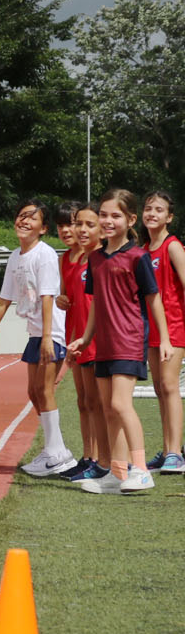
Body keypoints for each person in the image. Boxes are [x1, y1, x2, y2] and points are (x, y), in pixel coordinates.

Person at [67, 189, 173, 494]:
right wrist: (85, 339)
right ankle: (117, 472)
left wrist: (163, 339)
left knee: (119, 403)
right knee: (108, 408)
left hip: (129, 339)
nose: (108, 221)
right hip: (104, 344)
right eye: (103, 214)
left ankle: (140, 470)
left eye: (115, 215)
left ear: (130, 220)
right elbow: (97, 302)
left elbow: (154, 300)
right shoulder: (95, 259)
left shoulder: (138, 257)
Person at [0, 199, 78, 477]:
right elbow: (4, 298)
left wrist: (49, 336)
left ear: (43, 228)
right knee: (33, 392)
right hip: (36, 331)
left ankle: (58, 454)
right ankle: (55, 450)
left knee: (44, 390)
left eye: (31, 218)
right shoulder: (15, 256)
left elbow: (48, 296)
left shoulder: (44, 254)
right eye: (20, 216)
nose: (23, 221)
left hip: (51, 331)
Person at [56, 202, 109, 483]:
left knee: (98, 401)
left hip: (94, 336)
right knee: (83, 401)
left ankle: (103, 459)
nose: (71, 230)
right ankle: (89, 456)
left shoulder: (99, 257)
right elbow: (66, 297)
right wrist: (60, 300)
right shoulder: (65, 260)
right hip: (74, 334)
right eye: (67, 225)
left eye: (76, 223)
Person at [141, 190, 185, 474]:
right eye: (148, 208)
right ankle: (171, 449)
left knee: (169, 386)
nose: (152, 213)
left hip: (175, 326)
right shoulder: (143, 251)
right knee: (159, 388)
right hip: (151, 330)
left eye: (159, 210)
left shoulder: (172, 246)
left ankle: (174, 453)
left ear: (169, 217)